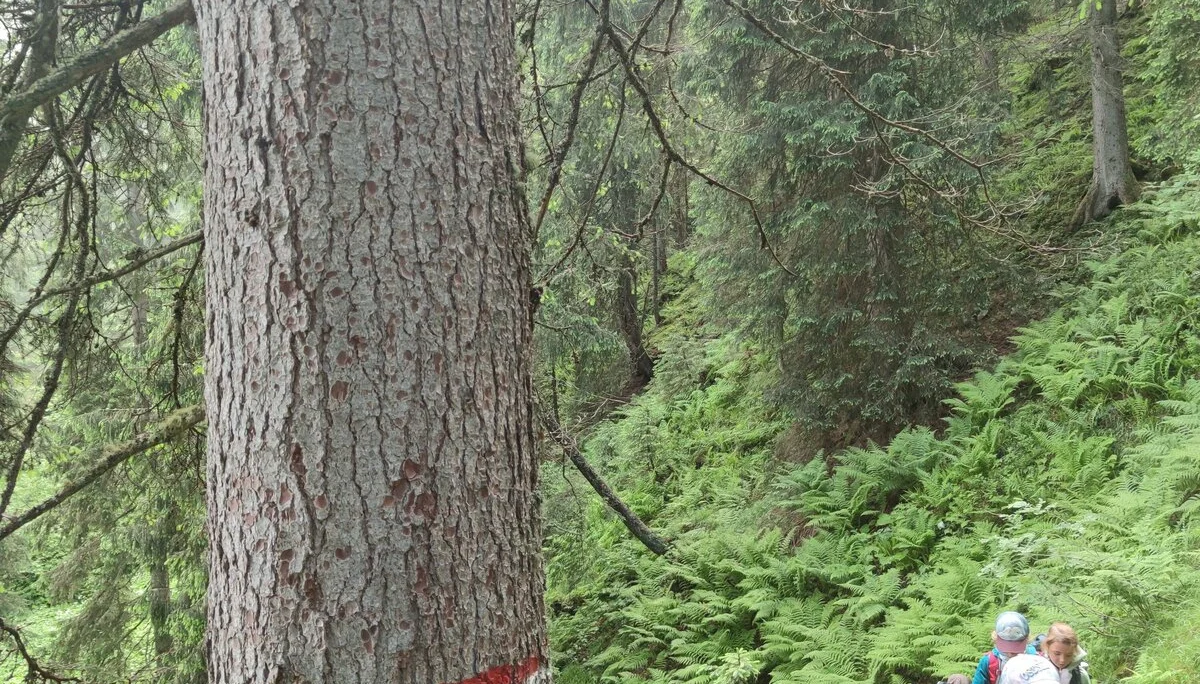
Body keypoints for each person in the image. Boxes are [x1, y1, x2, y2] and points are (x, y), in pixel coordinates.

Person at [972, 611, 1036, 684]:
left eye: (1015, 649)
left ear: (1026, 640)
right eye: (1005, 648)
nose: (1009, 654)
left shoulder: (1035, 658)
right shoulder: (988, 662)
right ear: (996, 639)